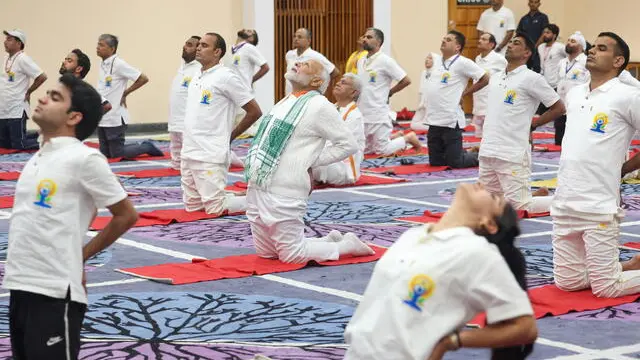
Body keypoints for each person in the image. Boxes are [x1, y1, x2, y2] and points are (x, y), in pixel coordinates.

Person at [2, 74, 138, 360]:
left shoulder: (84, 159)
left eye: (54, 97)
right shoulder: (38, 157)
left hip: (55, 291)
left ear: (74, 116)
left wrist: (81, 256)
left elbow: (125, 214)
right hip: (20, 283)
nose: (41, 98)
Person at [343, 183, 537, 360]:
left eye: (493, 198)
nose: (481, 185)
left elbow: (525, 327)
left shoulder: (477, 252)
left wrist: (453, 341)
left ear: (489, 223)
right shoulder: (413, 234)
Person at [245, 59, 374, 264]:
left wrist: (310, 161)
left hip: (285, 189)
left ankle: (347, 245)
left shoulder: (320, 105)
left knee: (292, 256)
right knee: (266, 254)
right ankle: (327, 240)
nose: (297, 64)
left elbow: (348, 144)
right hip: (258, 187)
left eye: (305, 65)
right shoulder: (285, 101)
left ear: (316, 81)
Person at [552, 32, 640, 298]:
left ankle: (612, 273)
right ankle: (626, 266)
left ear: (618, 61)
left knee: (607, 289)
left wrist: (624, 169)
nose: (592, 51)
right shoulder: (576, 92)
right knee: (568, 283)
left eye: (602, 49)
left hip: (599, 203)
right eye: (593, 47)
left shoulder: (628, 95)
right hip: (566, 200)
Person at [479, 32, 565, 214]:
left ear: (526, 53)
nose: (509, 45)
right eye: (509, 42)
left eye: (516, 43)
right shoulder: (495, 77)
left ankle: (568, 202)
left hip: (512, 151)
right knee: (488, 207)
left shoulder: (531, 78)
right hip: (488, 149)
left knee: (520, 207)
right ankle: (538, 195)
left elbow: (558, 107)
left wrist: (534, 125)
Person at [181, 32, 262, 215]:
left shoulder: (226, 77)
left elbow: (255, 111)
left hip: (210, 153)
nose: (199, 48)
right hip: (189, 151)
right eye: (199, 44)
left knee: (215, 209)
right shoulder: (196, 75)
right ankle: (235, 197)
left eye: (204, 45)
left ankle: (259, 201)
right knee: (193, 208)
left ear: (217, 52)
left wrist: (230, 136)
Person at [425, 30, 489, 168]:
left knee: (456, 163)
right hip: (434, 119)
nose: (443, 41)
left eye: (448, 40)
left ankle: (482, 156)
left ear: (457, 47)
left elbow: (485, 78)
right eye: (443, 38)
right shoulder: (437, 62)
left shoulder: (463, 62)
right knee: (436, 163)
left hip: (450, 120)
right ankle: (465, 151)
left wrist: (465, 93)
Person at [95, 34, 162, 159]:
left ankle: (146, 146)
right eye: (98, 44)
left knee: (117, 154)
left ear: (112, 48)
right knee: (105, 154)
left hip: (115, 116)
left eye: (101, 45)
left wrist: (126, 92)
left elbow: (143, 78)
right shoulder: (102, 64)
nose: (97, 47)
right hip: (103, 115)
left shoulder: (118, 64)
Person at [356, 28, 421, 156]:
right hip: (363, 111)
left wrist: (390, 93)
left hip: (378, 112)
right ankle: (396, 136)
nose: (364, 39)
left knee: (382, 150)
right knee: (366, 151)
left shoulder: (385, 61)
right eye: (364, 36)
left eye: (369, 37)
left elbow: (406, 80)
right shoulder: (361, 60)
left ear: (378, 42)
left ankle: (408, 138)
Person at [312, 73, 365, 186]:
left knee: (305, 159)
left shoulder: (354, 115)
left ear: (353, 92)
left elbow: (345, 147)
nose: (337, 83)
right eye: (339, 81)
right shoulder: (331, 108)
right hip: (326, 160)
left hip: (344, 169)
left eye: (343, 83)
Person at [1, 29, 47, 150]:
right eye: (6, 39)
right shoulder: (6, 57)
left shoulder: (23, 58)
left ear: (19, 43)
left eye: (9, 39)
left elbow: (42, 77)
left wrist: (29, 91)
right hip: (4, 108)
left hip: (16, 108)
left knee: (18, 144)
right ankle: (38, 134)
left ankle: (46, 142)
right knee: (4, 144)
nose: (5, 42)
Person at [168, 36, 202, 170]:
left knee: (192, 156)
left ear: (197, 49)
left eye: (189, 45)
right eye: (185, 43)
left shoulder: (198, 69)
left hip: (187, 122)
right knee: (176, 161)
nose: (184, 46)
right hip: (174, 120)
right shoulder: (183, 66)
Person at [230, 29, 270, 140]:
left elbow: (265, 67)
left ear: (251, 38)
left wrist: (251, 80)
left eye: (249, 31)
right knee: (231, 125)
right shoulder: (232, 49)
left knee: (243, 129)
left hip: (242, 91)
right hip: (229, 92)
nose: (244, 29)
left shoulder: (249, 48)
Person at [555, 31, 589, 145]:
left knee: (573, 140)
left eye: (573, 41)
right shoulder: (561, 62)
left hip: (576, 106)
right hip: (561, 105)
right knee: (558, 140)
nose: (569, 43)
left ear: (581, 46)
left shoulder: (586, 62)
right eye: (568, 40)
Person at [472, 33, 507, 138]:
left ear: (491, 44)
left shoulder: (499, 59)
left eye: (483, 39)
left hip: (491, 101)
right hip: (478, 100)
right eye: (480, 38)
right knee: (479, 136)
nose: (480, 40)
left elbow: (507, 76)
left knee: (491, 135)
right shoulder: (478, 58)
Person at [285, 28, 339, 94]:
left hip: (306, 97)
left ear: (308, 40)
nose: (296, 39)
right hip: (290, 95)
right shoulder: (289, 54)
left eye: (300, 37)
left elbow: (335, 72)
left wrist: (321, 88)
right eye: (294, 36)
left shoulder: (316, 56)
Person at [59, 49, 112, 114]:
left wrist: (89, 122)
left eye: (69, 61)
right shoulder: (64, 86)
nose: (64, 62)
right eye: (65, 59)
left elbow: (106, 106)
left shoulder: (81, 88)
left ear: (79, 69)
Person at [516, 0, 549, 72]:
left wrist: (534, 47)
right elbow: (519, 35)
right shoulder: (524, 19)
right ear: (528, 3)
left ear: (539, 4)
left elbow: (544, 34)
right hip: (525, 52)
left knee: (537, 72)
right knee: (524, 72)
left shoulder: (543, 17)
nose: (533, 4)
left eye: (535, 2)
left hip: (538, 52)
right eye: (531, 2)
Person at [411, 53, 438, 132]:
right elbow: (421, 91)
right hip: (422, 104)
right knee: (413, 124)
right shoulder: (424, 73)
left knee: (418, 125)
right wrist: (421, 104)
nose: (427, 60)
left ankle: (437, 128)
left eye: (430, 58)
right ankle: (435, 127)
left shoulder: (437, 74)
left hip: (432, 106)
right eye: (426, 58)